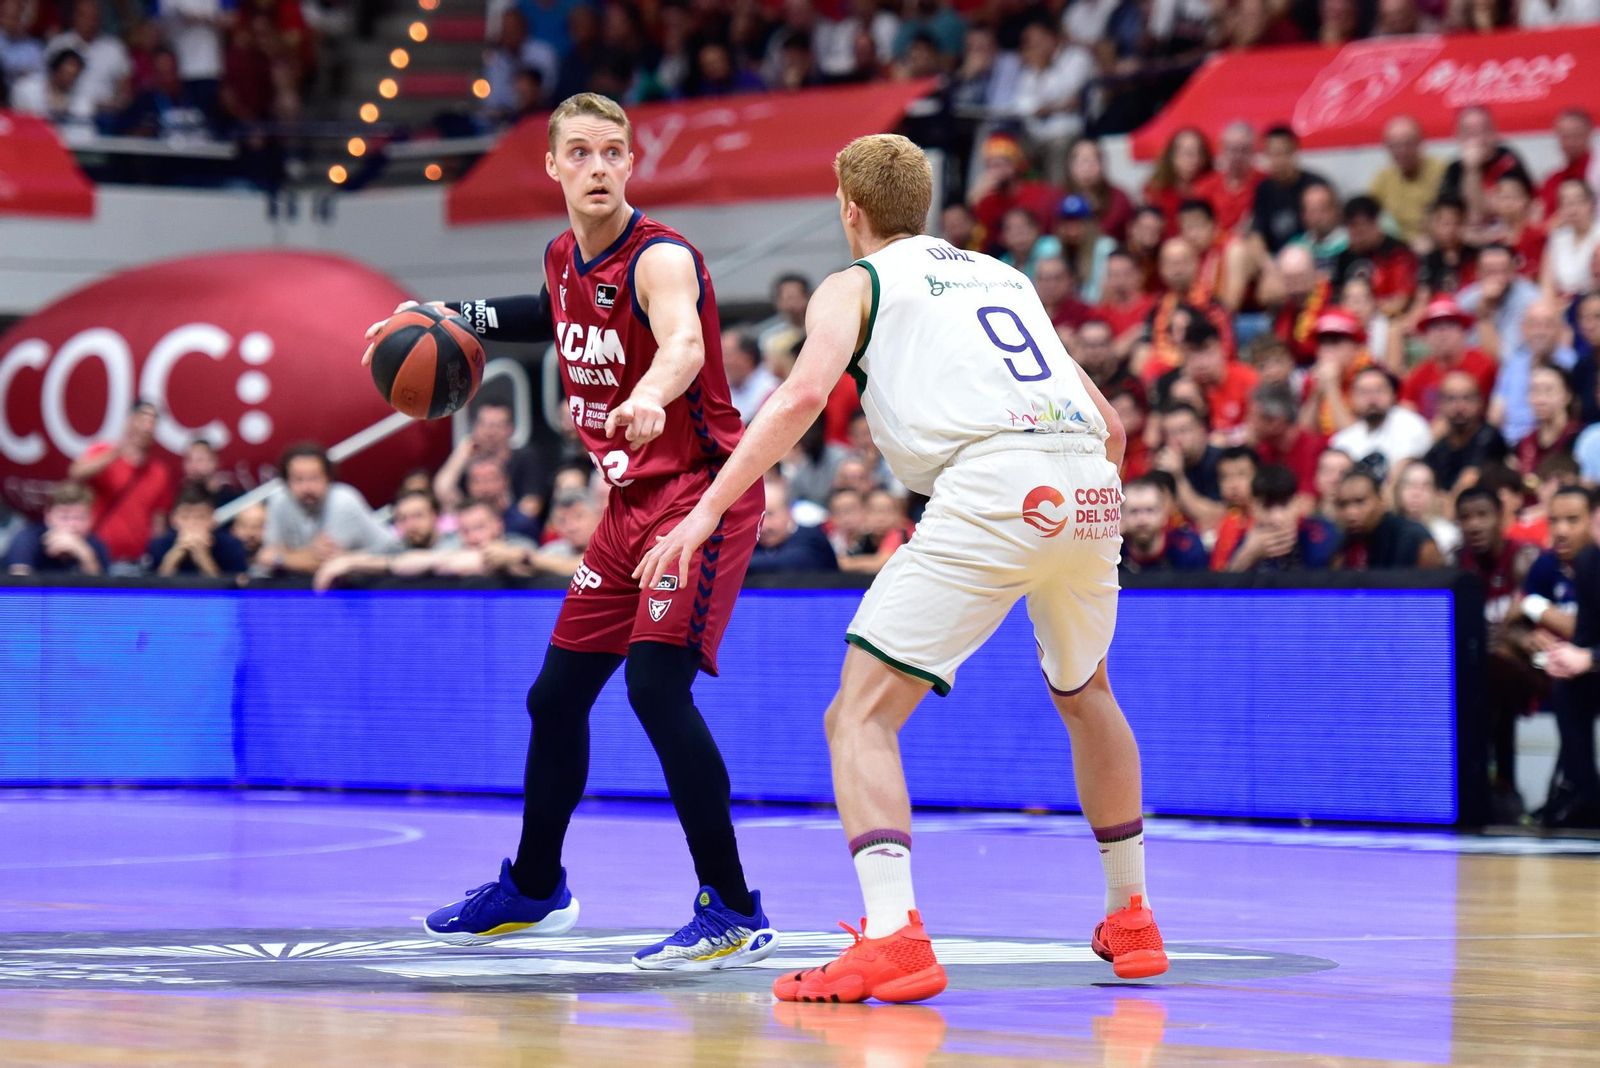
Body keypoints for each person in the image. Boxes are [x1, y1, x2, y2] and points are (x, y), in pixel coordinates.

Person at [638, 133, 1168, 1003]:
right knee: (1088, 694)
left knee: (859, 714)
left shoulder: (856, 283)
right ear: (921, 206)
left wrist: (705, 511)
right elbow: (1110, 426)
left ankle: (894, 938)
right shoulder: (1005, 277)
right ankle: (1133, 915)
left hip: (994, 483)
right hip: (1088, 484)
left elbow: (801, 397)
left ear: (849, 209)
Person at [361, 94, 778, 969]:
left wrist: (651, 394)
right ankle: (534, 887)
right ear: (552, 165)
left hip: (700, 498)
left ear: (630, 164)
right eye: (580, 152)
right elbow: (546, 310)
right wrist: (442, 313)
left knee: (656, 689)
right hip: (626, 511)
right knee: (554, 699)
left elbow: (683, 343)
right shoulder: (562, 257)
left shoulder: (661, 258)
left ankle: (734, 907)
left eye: (613, 151)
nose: (598, 166)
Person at [1456, 483, 1542, 820]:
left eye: (1483, 515)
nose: (1474, 525)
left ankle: (1503, 784)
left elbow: (1528, 629)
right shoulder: (1455, 564)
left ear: (1501, 518)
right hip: (1478, 673)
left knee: (1496, 667)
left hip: (1528, 669)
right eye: (1466, 518)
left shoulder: (1525, 559)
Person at [1523, 485, 1600, 828]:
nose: (1562, 530)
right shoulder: (1589, 562)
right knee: (1568, 687)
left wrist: (1591, 658)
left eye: (1573, 519)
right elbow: (1586, 633)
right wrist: (1568, 657)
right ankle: (1586, 795)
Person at [258, 443, 397, 573]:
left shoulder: (342, 501)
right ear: (286, 482)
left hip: (385, 567)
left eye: (314, 478)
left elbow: (323, 563)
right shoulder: (279, 500)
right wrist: (296, 556)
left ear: (328, 478)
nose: (307, 487)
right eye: (298, 479)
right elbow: (266, 554)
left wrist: (281, 558)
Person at [67, 400, 176, 564]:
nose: (147, 426)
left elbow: (158, 520)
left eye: (153, 421)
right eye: (143, 419)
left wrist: (156, 557)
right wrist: (117, 452)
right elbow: (75, 473)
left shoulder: (159, 471)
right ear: (130, 420)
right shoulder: (104, 453)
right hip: (99, 557)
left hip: (139, 562)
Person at [433, 401, 548, 521]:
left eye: (497, 426)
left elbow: (532, 505)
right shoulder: (469, 463)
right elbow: (442, 490)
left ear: (510, 429)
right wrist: (461, 452)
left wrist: (501, 523)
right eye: (484, 425)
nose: (490, 432)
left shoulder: (526, 457)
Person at [1215, 464, 1337, 571]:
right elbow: (1222, 587)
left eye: (1284, 505)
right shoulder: (1240, 540)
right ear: (1253, 508)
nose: (1276, 518)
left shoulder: (1324, 535)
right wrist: (1247, 556)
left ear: (1297, 504)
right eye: (1267, 506)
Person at [1400, 298, 1499, 419]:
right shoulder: (1417, 376)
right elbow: (1405, 414)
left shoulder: (1483, 364)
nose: (1443, 333)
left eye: (1450, 325)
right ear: (1426, 336)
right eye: (1435, 326)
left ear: (1463, 331)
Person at [1330, 366, 1432, 481]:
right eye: (1363, 392)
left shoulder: (1411, 425)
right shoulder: (1344, 439)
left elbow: (1402, 475)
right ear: (1352, 398)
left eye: (1378, 390)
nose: (1371, 398)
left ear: (1393, 394)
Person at [1332, 469, 1443, 569]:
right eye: (1342, 504)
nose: (1351, 514)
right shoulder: (1339, 545)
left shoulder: (1415, 539)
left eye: (1360, 502)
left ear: (1381, 499)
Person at [1331, 195, 1418, 320]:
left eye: (1362, 226)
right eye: (1352, 227)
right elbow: (1336, 298)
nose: (1358, 233)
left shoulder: (1398, 254)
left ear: (1376, 222)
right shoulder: (1343, 257)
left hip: (1389, 320)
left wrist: (1367, 309)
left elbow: (1400, 300)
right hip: (1349, 320)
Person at [1424, 371, 1509, 498]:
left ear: (1480, 402)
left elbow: (1470, 478)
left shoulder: (1490, 438)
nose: (1459, 406)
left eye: (1467, 398)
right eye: (1451, 399)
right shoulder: (1438, 448)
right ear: (1440, 405)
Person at [1459, 244, 1543, 366]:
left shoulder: (1530, 299)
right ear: (1478, 272)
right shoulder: (1466, 299)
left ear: (1513, 270)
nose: (1497, 278)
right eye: (1490, 271)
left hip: (1522, 367)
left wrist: (1484, 314)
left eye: (1503, 270)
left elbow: (1505, 358)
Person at [4, 481, 110, 576]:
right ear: (48, 516)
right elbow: (18, 584)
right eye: (64, 517)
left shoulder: (95, 546)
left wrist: (85, 555)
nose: (72, 524)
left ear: (90, 519)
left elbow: (100, 589)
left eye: (79, 517)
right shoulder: (27, 540)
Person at [1369, 114, 1446, 243]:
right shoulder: (1383, 178)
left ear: (1419, 143)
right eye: (1395, 145)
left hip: (1437, 241)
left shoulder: (1441, 171)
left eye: (1408, 144)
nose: (1402, 151)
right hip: (1398, 245)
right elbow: (1368, 215)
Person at [1251, 126, 1328, 255]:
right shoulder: (1263, 189)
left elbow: (1331, 228)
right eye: (1274, 154)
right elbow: (1257, 233)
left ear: (1295, 151)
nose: (1280, 161)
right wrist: (1267, 263)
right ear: (1266, 155)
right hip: (1274, 258)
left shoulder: (1315, 186)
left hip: (1311, 254)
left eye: (1285, 153)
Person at [146, 482, 249, 576]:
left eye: (200, 517)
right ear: (174, 519)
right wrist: (177, 552)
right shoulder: (159, 544)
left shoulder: (231, 545)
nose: (193, 523)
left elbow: (232, 587)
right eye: (185, 517)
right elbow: (153, 586)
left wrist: (202, 557)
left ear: (213, 519)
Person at [1153, 400, 1225, 530]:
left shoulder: (1222, 461)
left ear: (1201, 430)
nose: (1177, 439)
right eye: (1171, 433)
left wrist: (1178, 476)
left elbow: (1211, 517)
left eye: (1183, 431)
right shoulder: (1164, 465)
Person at [747, 476, 839, 573]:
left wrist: (743, 563)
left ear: (788, 512)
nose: (763, 526)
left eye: (770, 514)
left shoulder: (812, 538)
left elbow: (791, 562)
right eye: (758, 518)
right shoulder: (753, 544)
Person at [1119, 475, 1208, 572]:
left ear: (1163, 514)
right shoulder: (1113, 554)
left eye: (1150, 510)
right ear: (1121, 516)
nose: (1142, 520)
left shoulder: (1187, 548)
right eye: (1134, 511)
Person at [1541, 179, 1600, 301]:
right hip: (1562, 303)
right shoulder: (1557, 236)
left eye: (1578, 201)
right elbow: (1547, 283)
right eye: (1566, 203)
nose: (1572, 209)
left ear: (1591, 203)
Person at [1394, 458, 1463, 562]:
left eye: (1425, 486)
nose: (1416, 493)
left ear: (1436, 494)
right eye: (1410, 485)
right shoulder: (1387, 532)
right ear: (1399, 491)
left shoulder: (1449, 536)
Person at [723, 328, 778, 423]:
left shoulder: (771, 386)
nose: (722, 361)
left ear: (747, 357)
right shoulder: (724, 393)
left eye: (726, 354)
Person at [181, 439, 240, 510]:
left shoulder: (231, 499)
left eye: (200, 459)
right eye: (189, 459)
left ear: (214, 462)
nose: (193, 465)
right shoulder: (180, 497)